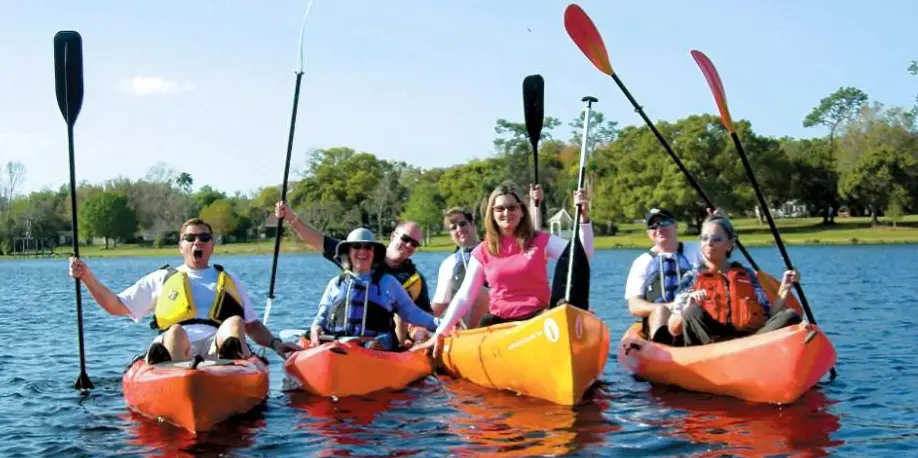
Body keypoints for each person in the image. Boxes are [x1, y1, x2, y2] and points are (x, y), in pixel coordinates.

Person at [67, 218, 299, 364]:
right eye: (190, 238)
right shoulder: (163, 278)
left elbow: (252, 325)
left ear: (211, 246)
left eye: (204, 237)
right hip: (178, 345)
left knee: (235, 322)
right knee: (176, 331)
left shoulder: (228, 279)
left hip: (217, 345)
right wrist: (87, 277)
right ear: (181, 247)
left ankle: (231, 369)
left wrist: (276, 344)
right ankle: (173, 374)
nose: (197, 242)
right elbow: (116, 305)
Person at [414, 180, 594, 356]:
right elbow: (465, 296)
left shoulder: (541, 241)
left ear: (522, 211)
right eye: (500, 209)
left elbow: (581, 256)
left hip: (537, 320)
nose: (506, 213)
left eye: (512, 207)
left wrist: (584, 220)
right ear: (492, 214)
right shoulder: (482, 251)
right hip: (499, 321)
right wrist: (440, 332)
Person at [274, 202, 432, 346]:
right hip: (342, 342)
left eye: (414, 243)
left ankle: (398, 351)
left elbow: (419, 315)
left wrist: (436, 328)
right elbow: (317, 240)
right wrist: (291, 218)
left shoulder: (414, 279)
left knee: (407, 325)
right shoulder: (343, 275)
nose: (408, 245)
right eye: (405, 239)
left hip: (381, 343)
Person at [666, 215, 803, 346]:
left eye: (716, 239)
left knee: (790, 315)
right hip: (710, 344)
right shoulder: (692, 277)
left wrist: (785, 287)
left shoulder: (748, 275)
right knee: (692, 311)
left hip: (750, 342)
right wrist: (686, 307)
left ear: (730, 244)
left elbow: (769, 316)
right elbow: (673, 328)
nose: (709, 243)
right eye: (704, 238)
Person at [309, 227, 441, 351]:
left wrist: (442, 324)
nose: (362, 251)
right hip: (338, 347)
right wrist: (316, 328)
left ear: (374, 253)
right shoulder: (336, 284)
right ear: (348, 252)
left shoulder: (388, 283)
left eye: (368, 247)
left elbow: (413, 313)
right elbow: (322, 316)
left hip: (376, 351)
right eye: (356, 246)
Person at [624, 208, 717, 345]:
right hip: (662, 319)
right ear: (649, 233)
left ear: (675, 226)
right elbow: (634, 306)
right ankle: (662, 348)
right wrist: (670, 306)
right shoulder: (642, 262)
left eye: (664, 223)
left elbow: (721, 258)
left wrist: (717, 224)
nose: (659, 228)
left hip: (695, 312)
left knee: (693, 310)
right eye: (653, 226)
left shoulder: (698, 250)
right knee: (660, 310)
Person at [430, 207, 489, 329]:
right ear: (450, 234)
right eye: (453, 228)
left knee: (481, 292)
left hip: (497, 314)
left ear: (472, 224)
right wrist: (416, 322)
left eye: (463, 224)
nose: (459, 229)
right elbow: (439, 304)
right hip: (467, 323)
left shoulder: (494, 250)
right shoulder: (449, 264)